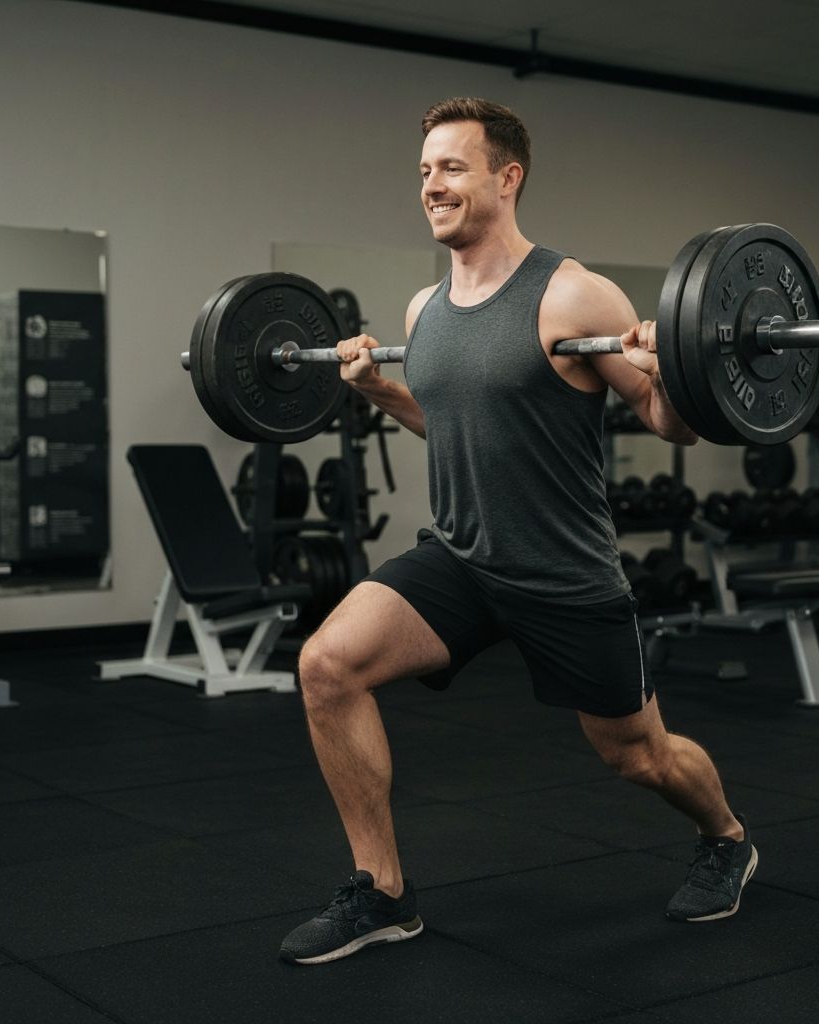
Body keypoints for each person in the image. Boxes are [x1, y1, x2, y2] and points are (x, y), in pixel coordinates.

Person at [279, 98, 757, 966]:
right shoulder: (425, 308)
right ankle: (382, 893)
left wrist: (668, 369)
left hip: (564, 572)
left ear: (508, 178)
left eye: (452, 168)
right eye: (425, 170)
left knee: (638, 757)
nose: (432, 185)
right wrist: (381, 392)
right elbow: (453, 426)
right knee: (326, 665)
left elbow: (669, 423)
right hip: (460, 557)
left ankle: (726, 838)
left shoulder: (573, 292)